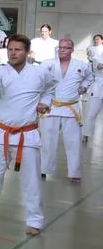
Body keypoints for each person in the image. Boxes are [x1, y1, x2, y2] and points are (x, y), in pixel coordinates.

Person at [0, 34, 54, 237]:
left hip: (27, 135)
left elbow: (51, 88)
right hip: (0, 133)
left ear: (27, 52)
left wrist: (45, 102)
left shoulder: (39, 72)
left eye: (17, 50)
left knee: (31, 181)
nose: (13, 53)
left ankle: (35, 219)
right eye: (10, 49)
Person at [40, 39, 90, 182]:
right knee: (47, 141)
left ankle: (74, 173)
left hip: (71, 108)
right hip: (51, 107)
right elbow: (37, 79)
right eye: (60, 47)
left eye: (66, 48)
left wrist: (84, 86)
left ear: (72, 50)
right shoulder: (47, 64)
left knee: (74, 143)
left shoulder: (81, 66)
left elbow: (89, 78)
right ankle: (44, 169)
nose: (62, 50)